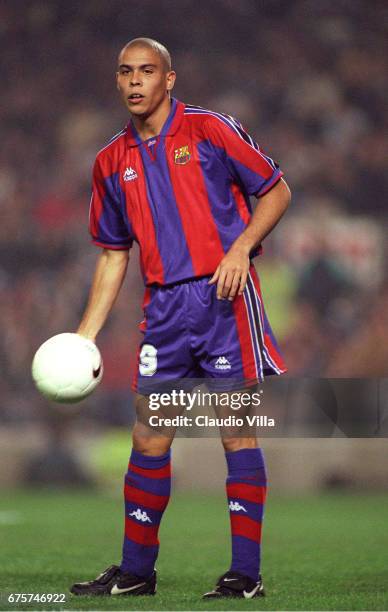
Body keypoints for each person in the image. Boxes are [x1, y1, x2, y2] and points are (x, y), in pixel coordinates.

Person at [70, 37, 291, 599]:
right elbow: (114, 252)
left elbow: (276, 190)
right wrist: (85, 337)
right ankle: (136, 572)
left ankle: (246, 575)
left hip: (223, 299)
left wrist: (240, 249)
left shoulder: (210, 130)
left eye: (147, 71)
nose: (135, 81)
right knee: (148, 439)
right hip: (164, 313)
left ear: (169, 79)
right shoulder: (109, 161)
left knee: (236, 431)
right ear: (118, 81)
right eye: (126, 72)